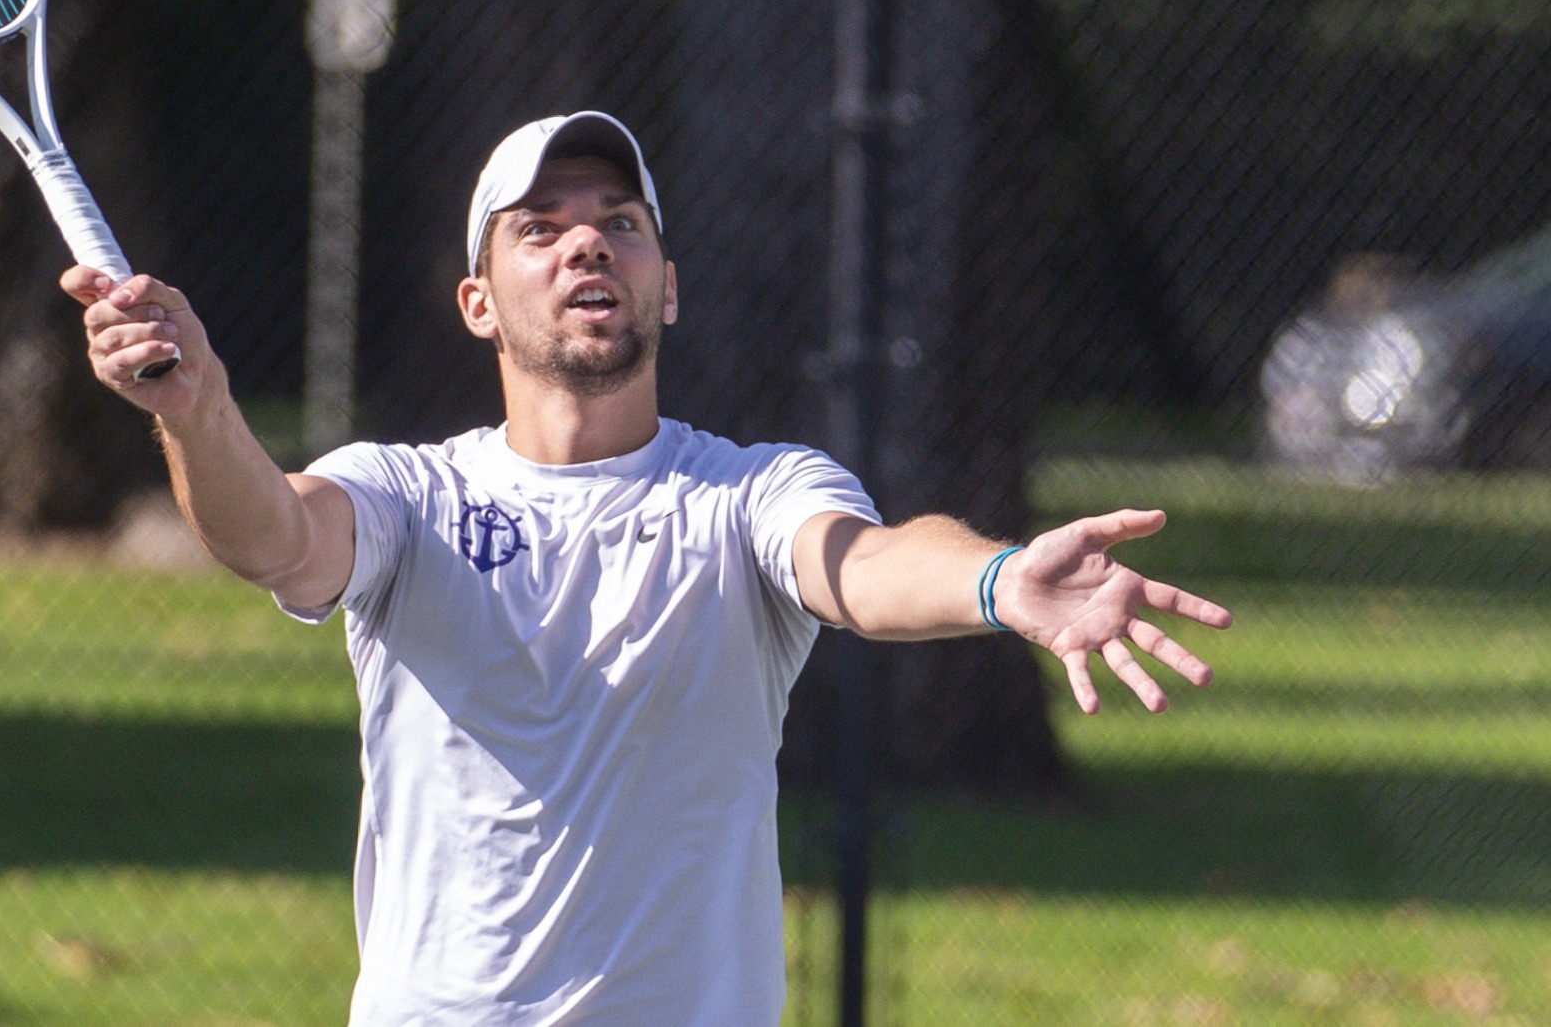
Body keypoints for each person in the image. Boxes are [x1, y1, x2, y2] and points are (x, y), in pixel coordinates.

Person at [62, 112, 1232, 1025]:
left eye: (620, 221)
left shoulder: (747, 494)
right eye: (539, 226)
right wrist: (200, 411)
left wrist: (998, 578)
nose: (586, 241)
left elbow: (864, 566)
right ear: (478, 303)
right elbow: (272, 534)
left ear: (665, 284)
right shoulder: (409, 493)